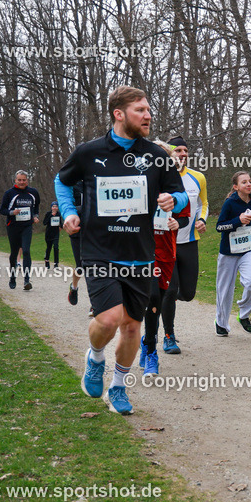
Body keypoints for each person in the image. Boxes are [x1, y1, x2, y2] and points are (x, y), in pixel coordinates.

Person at [55, 85, 187, 415]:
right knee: (110, 319)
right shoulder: (89, 152)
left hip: (140, 255)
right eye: (140, 110)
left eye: (148, 109)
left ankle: (118, 388)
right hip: (99, 250)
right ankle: (96, 357)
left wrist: (174, 200)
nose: (148, 115)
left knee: (131, 327)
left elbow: (181, 194)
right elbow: (62, 180)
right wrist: (69, 212)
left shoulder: (157, 156)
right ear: (119, 114)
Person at [140, 141, 190, 376]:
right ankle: (151, 351)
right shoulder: (138, 183)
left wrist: (175, 222)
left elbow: (185, 217)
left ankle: (147, 341)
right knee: (148, 297)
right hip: (141, 250)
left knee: (157, 300)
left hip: (166, 252)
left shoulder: (174, 188)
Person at [158, 136, 208, 354]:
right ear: (169, 154)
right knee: (170, 290)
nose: (182, 153)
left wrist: (202, 220)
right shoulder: (159, 178)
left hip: (188, 242)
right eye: (177, 150)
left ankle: (167, 297)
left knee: (187, 294)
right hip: (164, 245)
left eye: (185, 150)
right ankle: (169, 336)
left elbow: (203, 203)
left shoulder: (198, 178)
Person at [214, 171, 251, 336]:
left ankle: (244, 314)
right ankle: (221, 324)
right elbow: (219, 226)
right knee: (224, 289)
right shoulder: (229, 203)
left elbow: (249, 214)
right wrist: (237, 221)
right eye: (244, 182)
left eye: (249, 181)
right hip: (228, 252)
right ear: (236, 187)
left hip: (246, 250)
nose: (248, 184)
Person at [0, 171, 40, 290]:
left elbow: (36, 206)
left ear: (27, 180)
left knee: (26, 251)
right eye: (19, 180)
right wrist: (12, 212)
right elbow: (2, 210)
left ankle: (26, 280)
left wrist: (35, 216)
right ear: (15, 180)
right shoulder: (9, 193)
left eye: (24, 180)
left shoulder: (33, 192)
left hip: (27, 226)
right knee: (14, 252)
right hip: (13, 226)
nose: (22, 182)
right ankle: (12, 277)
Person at [42, 202, 62, 268]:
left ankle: (56, 263)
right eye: (53, 206)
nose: (54, 208)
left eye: (56, 206)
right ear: (51, 207)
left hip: (56, 233)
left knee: (56, 247)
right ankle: (47, 260)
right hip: (48, 233)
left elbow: (60, 222)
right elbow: (44, 223)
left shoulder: (58, 214)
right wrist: (51, 216)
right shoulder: (48, 214)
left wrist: (61, 226)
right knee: (49, 247)